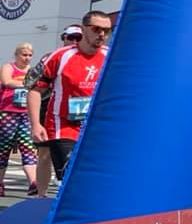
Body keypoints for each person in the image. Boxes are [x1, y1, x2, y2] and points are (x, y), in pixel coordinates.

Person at [27, 12, 110, 182]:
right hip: (63, 126)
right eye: (96, 29)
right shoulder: (60, 56)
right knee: (70, 175)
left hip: (96, 127)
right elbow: (35, 90)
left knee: (96, 176)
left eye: (106, 30)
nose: (101, 34)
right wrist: (35, 124)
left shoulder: (111, 56)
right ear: (84, 30)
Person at [22, 25, 81, 197]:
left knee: (78, 155)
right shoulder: (52, 57)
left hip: (78, 113)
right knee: (45, 154)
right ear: (63, 38)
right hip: (49, 110)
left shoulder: (90, 58)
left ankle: (69, 195)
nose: (74, 41)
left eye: (79, 37)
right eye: (71, 37)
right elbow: (30, 83)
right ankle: (41, 195)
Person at [0, 43, 38, 195]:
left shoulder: (33, 71)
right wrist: (27, 84)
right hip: (7, 112)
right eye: (24, 54)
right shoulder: (9, 67)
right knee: (3, 149)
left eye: (29, 55)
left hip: (26, 113)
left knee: (28, 148)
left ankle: (33, 183)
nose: (27, 58)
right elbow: (7, 81)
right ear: (16, 55)